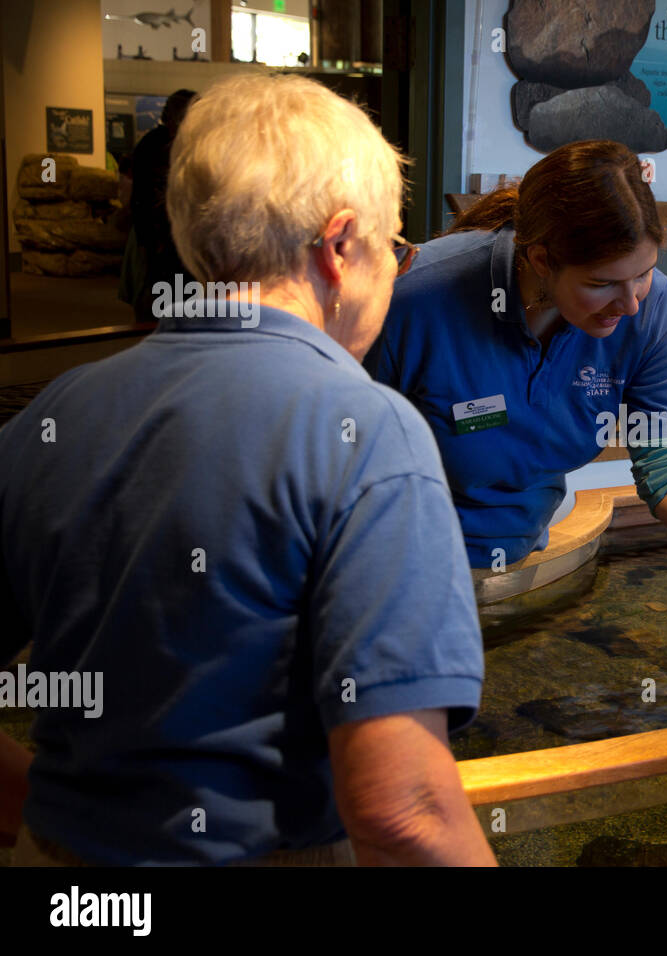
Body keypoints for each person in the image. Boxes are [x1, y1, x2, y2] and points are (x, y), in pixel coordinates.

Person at [0, 73, 494, 866]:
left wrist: (52, 820)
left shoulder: (51, 415)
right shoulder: (368, 433)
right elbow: (403, 809)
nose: (397, 274)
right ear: (339, 247)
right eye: (395, 248)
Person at [366, 140, 667, 615]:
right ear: (541, 261)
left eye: (644, 274)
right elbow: (337, 476)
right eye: (601, 284)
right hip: (392, 575)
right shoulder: (411, 298)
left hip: (519, 570)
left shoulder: (651, 309)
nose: (630, 304)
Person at [127, 88, 195, 322]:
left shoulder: (191, 146)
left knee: (185, 295)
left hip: (184, 237)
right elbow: (141, 197)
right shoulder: (153, 146)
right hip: (160, 237)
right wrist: (147, 240)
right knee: (162, 294)